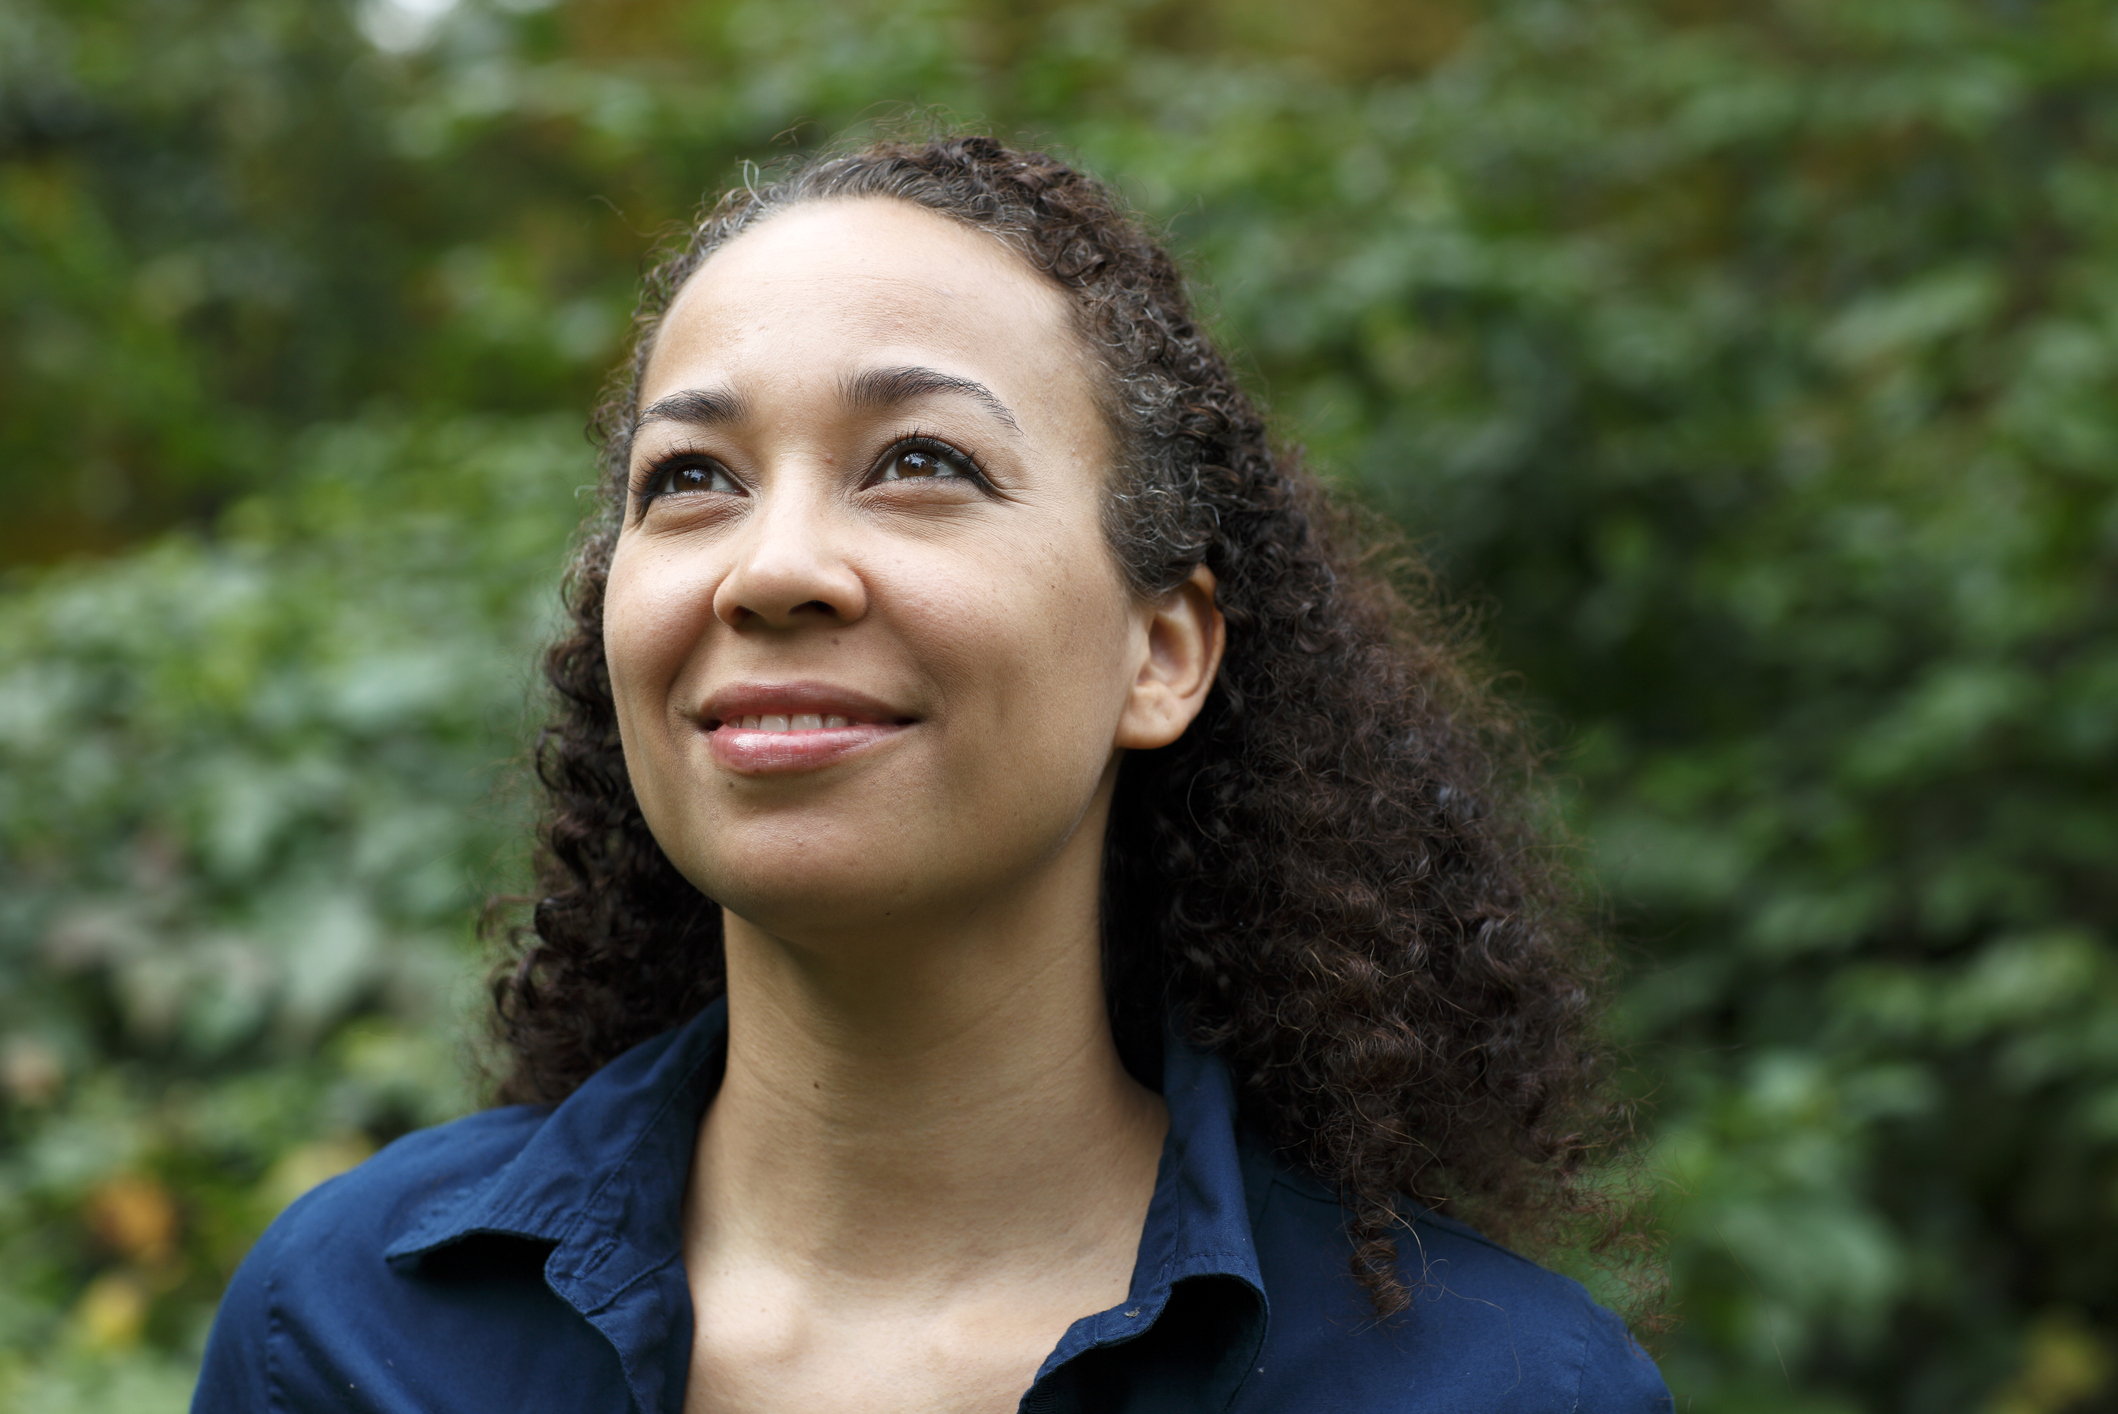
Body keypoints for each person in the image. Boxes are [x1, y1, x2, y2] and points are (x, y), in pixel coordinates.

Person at [193, 134, 1671, 1413]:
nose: (771, 569)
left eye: (919, 462)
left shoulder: (1497, 1388)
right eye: (691, 479)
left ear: (1162, 650)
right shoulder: (342, 1333)